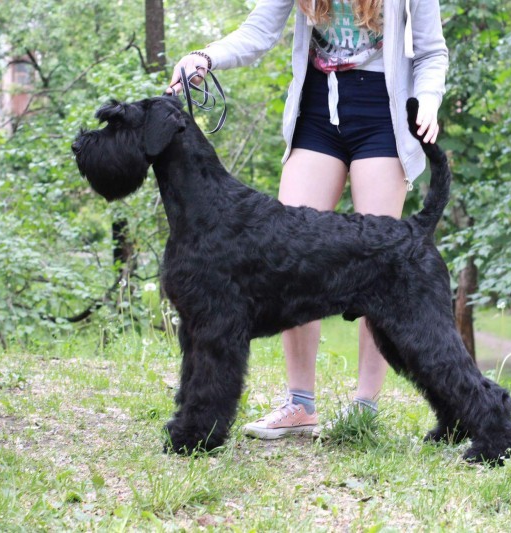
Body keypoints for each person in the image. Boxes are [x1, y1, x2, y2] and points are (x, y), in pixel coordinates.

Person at [167, 0, 448, 440]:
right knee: (287, 257)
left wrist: (427, 101)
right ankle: (300, 404)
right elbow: (258, 32)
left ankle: (364, 408)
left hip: (383, 112)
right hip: (317, 109)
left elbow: (432, 51)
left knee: (381, 267)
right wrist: (206, 56)